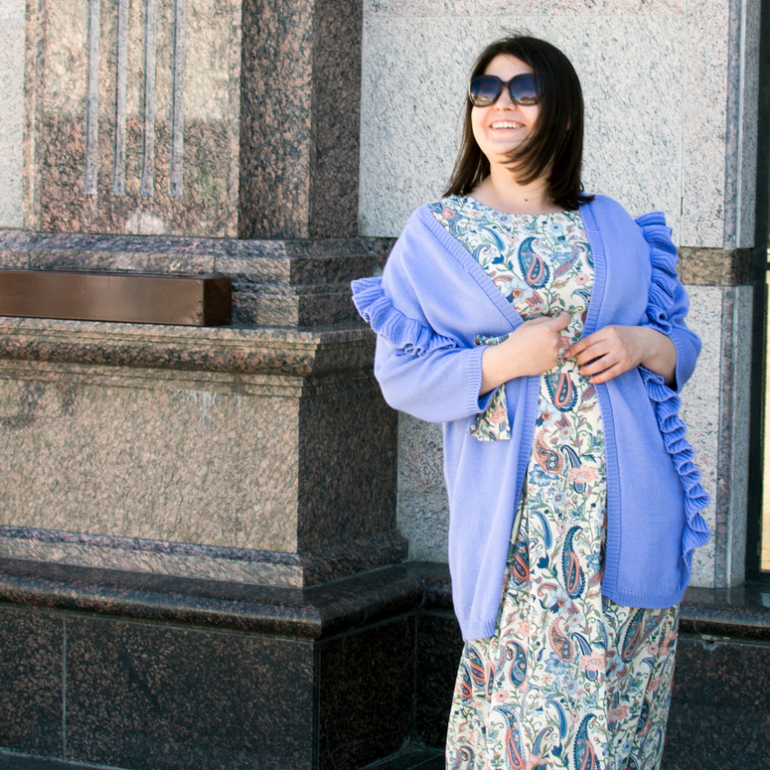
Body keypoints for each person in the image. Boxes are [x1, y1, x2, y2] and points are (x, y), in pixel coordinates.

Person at [352, 35, 710, 770]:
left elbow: (679, 346)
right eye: (485, 91)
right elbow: (402, 374)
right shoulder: (438, 235)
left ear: (564, 114)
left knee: (619, 718)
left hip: (625, 520)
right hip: (522, 537)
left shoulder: (611, 225)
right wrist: (503, 361)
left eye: (524, 90)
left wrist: (642, 343)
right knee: (523, 729)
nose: (500, 105)